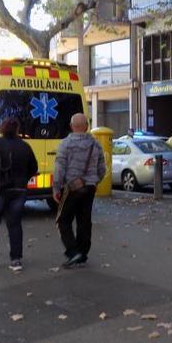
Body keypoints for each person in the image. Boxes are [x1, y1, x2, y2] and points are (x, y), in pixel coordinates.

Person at [0, 117, 38, 271]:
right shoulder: (25, 146)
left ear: (2, 128)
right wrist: (23, 179)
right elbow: (34, 167)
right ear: (17, 130)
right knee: (15, 224)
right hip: (19, 190)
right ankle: (16, 260)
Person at [53, 113, 106, 269]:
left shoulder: (65, 144)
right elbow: (102, 169)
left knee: (62, 220)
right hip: (90, 188)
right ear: (87, 126)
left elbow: (59, 168)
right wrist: (95, 181)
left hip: (72, 188)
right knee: (84, 221)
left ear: (71, 126)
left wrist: (57, 187)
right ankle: (82, 254)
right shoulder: (96, 145)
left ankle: (73, 251)